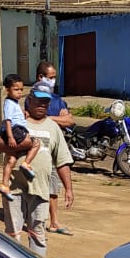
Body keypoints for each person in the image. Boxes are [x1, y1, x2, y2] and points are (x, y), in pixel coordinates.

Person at [1, 90, 74, 256]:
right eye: (38, 102)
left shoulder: (53, 127)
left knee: (38, 234)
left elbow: (62, 161)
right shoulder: (17, 123)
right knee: (13, 234)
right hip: (14, 189)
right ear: (30, 102)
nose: (42, 106)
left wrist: (68, 188)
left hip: (41, 190)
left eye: (45, 103)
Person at [34, 61, 75, 235]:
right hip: (38, 149)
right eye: (50, 78)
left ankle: (54, 221)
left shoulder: (58, 100)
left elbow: (69, 121)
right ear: (40, 77)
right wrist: (55, 119)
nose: (52, 81)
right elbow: (30, 116)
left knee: (53, 186)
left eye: (54, 78)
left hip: (54, 149)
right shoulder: (32, 97)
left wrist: (48, 119)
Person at [0, 74, 40, 200]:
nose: (19, 92)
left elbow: (16, 116)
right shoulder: (9, 103)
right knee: (35, 143)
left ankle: (4, 184)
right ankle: (26, 164)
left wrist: (24, 114)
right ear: (7, 90)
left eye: (21, 90)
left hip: (15, 130)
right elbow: (8, 120)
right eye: (16, 89)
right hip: (15, 131)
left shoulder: (14, 103)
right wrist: (11, 136)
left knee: (11, 160)